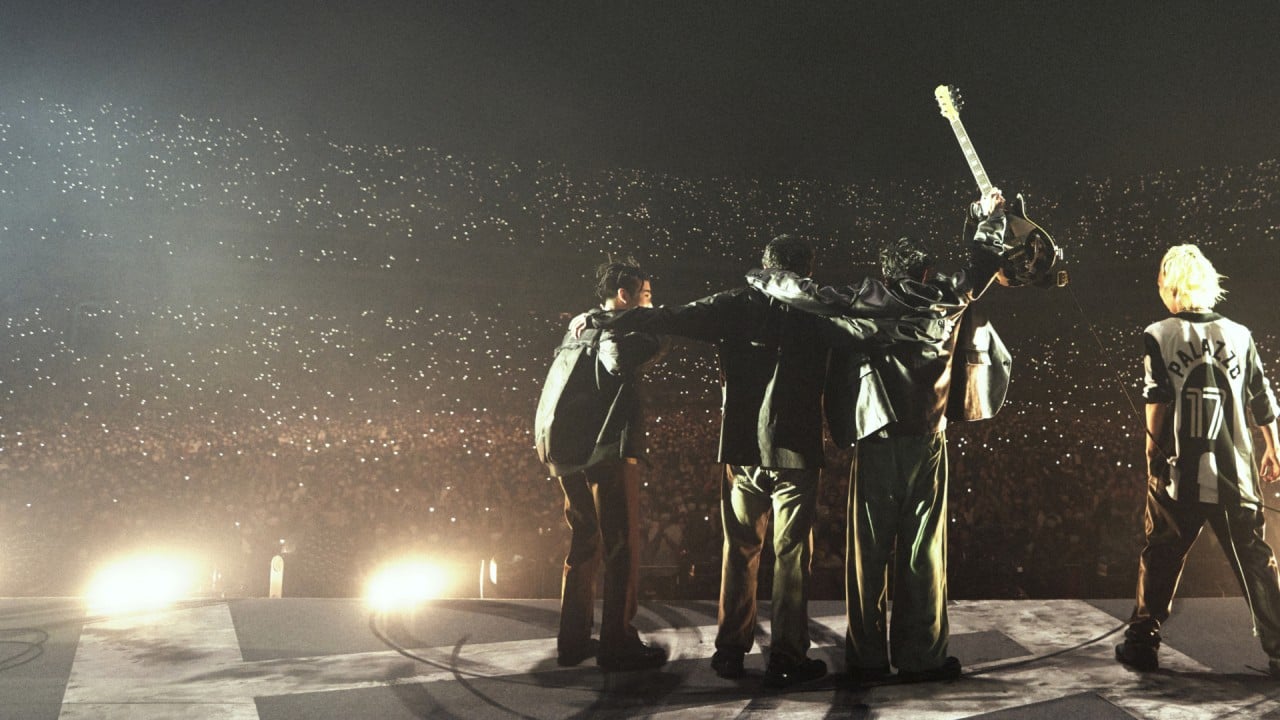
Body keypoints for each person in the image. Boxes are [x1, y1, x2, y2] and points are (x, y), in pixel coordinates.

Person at [576, 235, 913, 688]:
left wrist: (606, 317)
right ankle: (788, 657)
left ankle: (730, 653)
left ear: (766, 265)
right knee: (792, 557)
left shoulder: (734, 303)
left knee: (739, 552)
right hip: (795, 452)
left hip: (740, 451)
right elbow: (868, 335)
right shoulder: (816, 309)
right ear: (806, 272)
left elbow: (673, 317)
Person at [747, 190, 1010, 683]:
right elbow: (984, 261)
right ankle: (923, 656)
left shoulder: (872, 297)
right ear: (927, 272)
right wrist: (986, 215)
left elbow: (810, 295)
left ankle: (867, 658)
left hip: (877, 438)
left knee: (868, 554)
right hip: (929, 440)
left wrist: (764, 278)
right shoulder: (949, 293)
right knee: (924, 551)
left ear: (888, 274)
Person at [1115, 244, 1280, 675]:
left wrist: (1152, 458)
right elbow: (1262, 398)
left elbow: (1157, 403)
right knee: (1255, 560)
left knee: (1162, 552)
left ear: (1171, 285)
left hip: (1180, 475)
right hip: (1236, 475)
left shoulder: (1159, 333)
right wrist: (1273, 448)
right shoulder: (1240, 334)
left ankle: (1142, 642)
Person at [534, 259, 668, 672]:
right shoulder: (623, 332)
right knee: (621, 544)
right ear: (625, 296)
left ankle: (572, 642)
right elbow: (648, 348)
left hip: (565, 452)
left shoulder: (577, 329)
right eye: (645, 295)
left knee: (584, 541)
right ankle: (617, 643)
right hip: (606, 450)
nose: (651, 302)